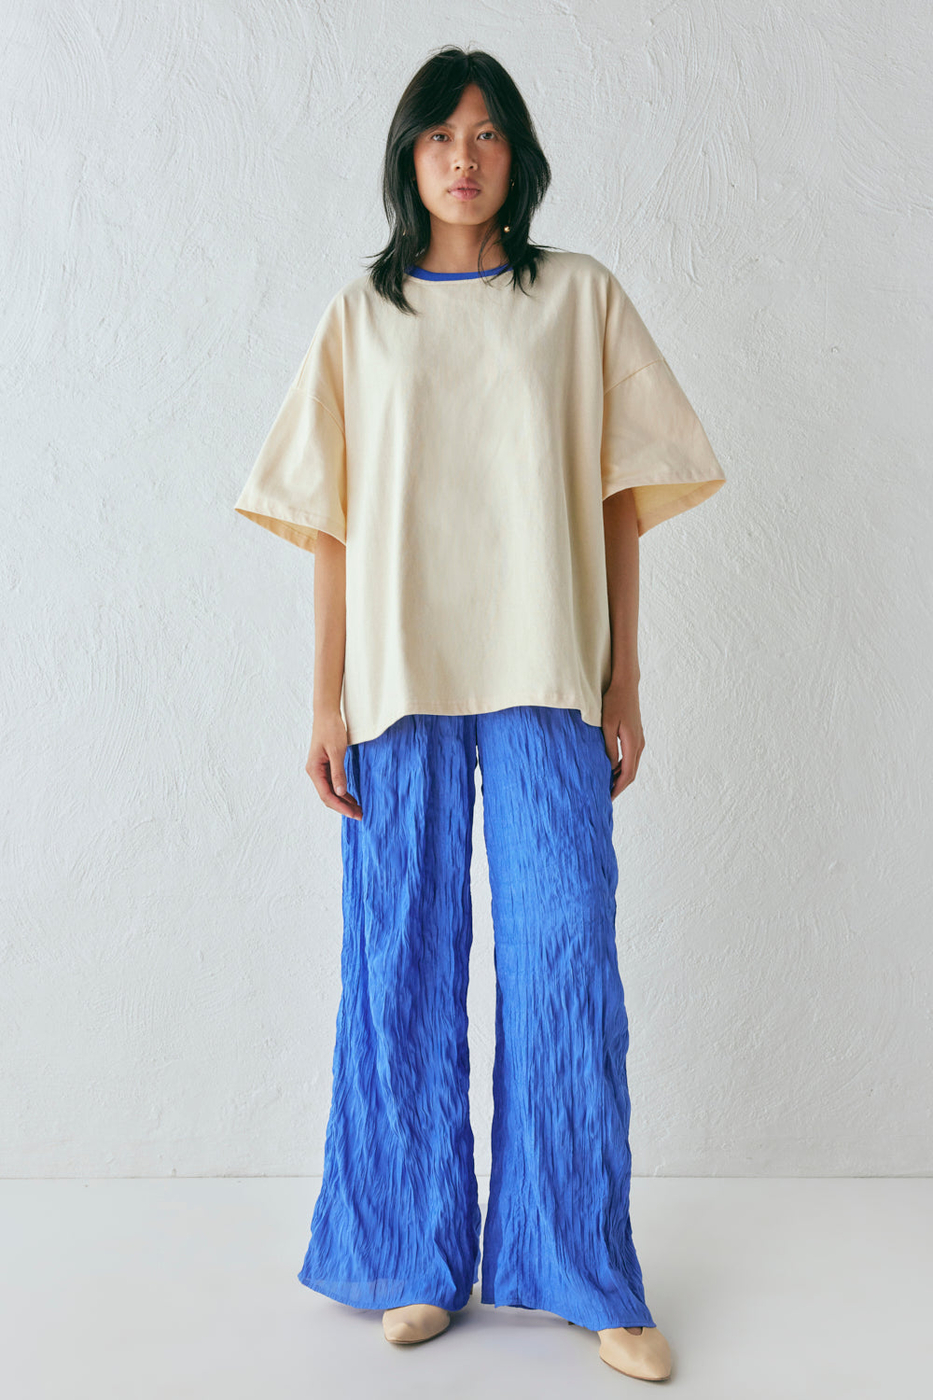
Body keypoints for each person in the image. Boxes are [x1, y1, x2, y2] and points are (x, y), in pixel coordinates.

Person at [234, 46, 725, 1384]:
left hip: (548, 673)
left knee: (564, 960)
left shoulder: (578, 300)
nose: (465, 156)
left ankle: (582, 1269)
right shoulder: (362, 317)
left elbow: (623, 496)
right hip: (395, 686)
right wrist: (323, 698)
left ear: (518, 155)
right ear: (409, 155)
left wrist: (625, 678)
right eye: (442, 134)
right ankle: (409, 1256)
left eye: (488, 132)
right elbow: (330, 523)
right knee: (397, 960)